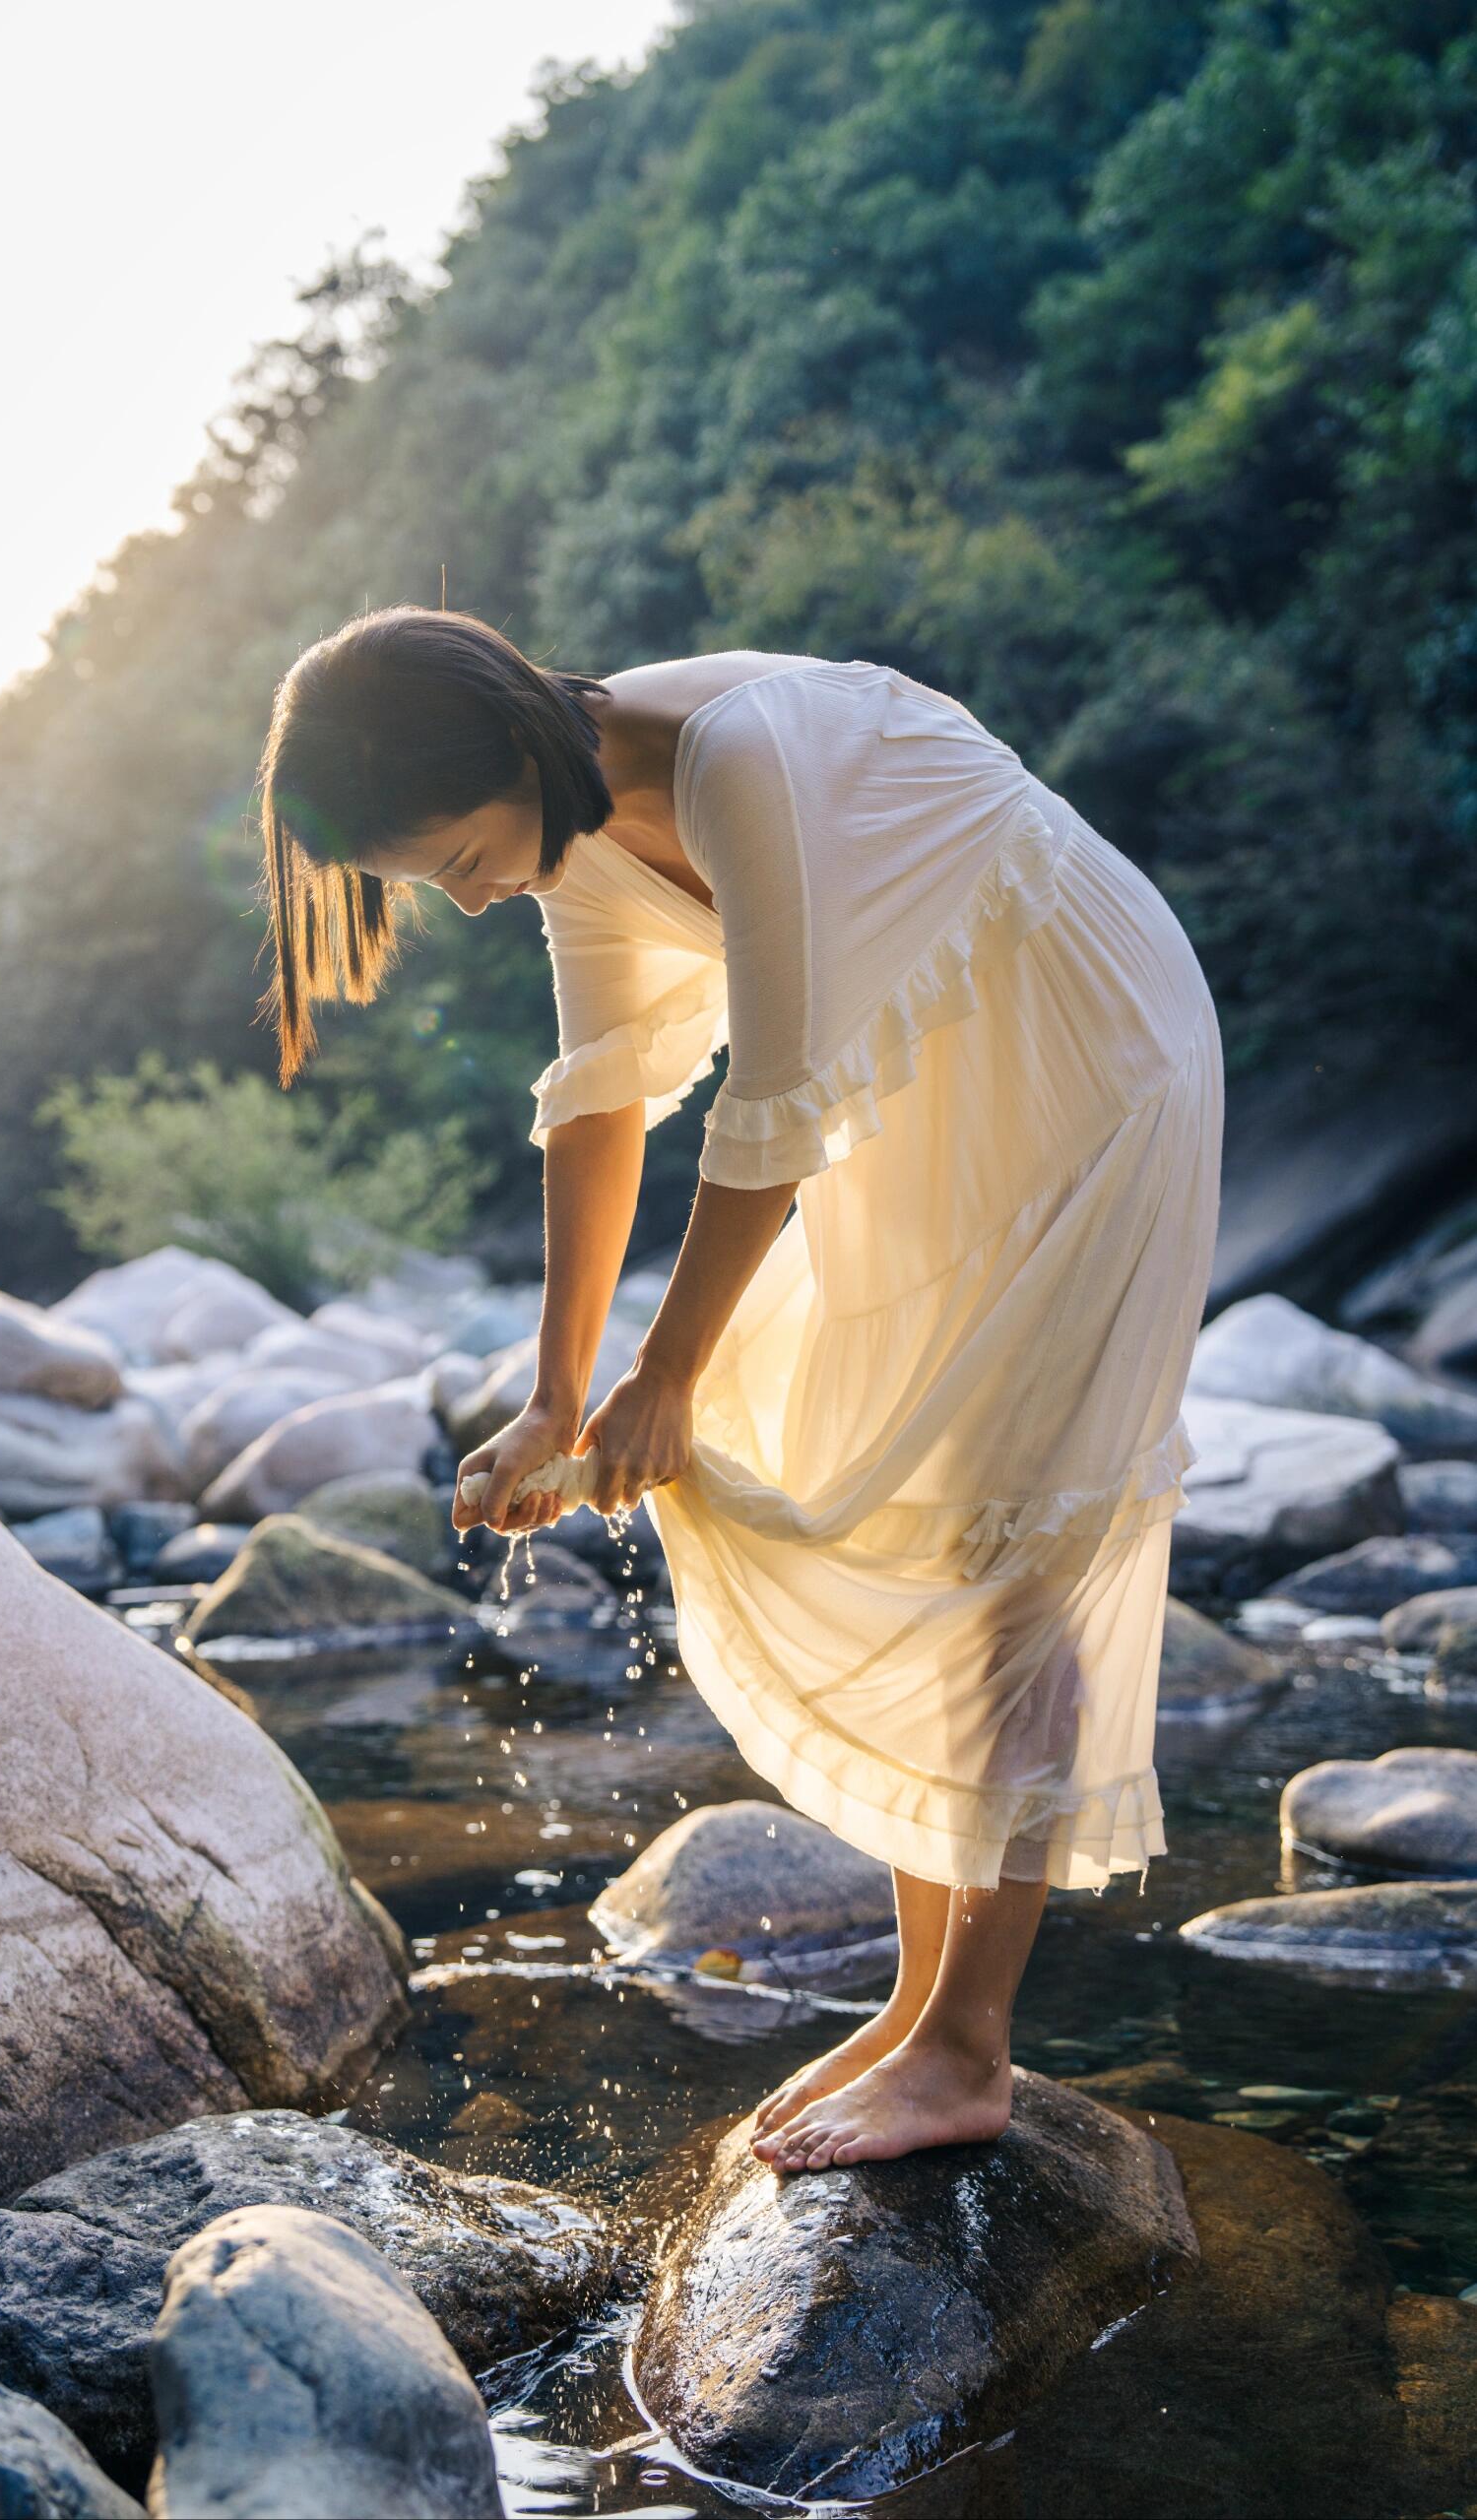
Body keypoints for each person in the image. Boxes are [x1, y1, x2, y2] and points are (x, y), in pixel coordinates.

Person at [255, 604, 1223, 2171]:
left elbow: (765, 1101)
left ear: (509, 747)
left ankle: (968, 2049)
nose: (465, 896)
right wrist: (557, 1397)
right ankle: (921, 2010)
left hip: (1086, 1064)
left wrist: (665, 1373)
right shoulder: (568, 823)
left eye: (453, 858)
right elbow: (601, 1103)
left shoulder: (743, 759)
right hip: (916, 1102)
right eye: (427, 884)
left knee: (1009, 1548)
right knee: (910, 1509)